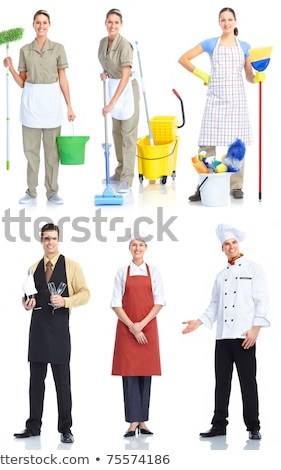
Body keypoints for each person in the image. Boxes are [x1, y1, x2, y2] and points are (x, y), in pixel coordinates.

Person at [182, 223, 270, 440]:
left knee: (248, 382)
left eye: (233, 243)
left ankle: (253, 426)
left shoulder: (254, 269)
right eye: (226, 244)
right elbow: (213, 305)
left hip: (244, 336)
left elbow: (262, 301)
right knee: (221, 383)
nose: (231, 247)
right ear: (222, 249)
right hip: (222, 337)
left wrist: (255, 329)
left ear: (238, 245)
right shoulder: (220, 275)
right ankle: (219, 425)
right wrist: (199, 322)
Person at [14, 223, 90, 443]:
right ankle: (33, 426)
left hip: (59, 332)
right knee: (35, 382)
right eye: (46, 238)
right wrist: (26, 304)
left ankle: (65, 428)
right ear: (41, 241)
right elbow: (28, 296)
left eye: (53, 238)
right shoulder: (33, 267)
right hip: (37, 330)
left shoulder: (72, 266)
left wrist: (66, 301)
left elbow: (86, 294)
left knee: (62, 383)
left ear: (58, 240)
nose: (50, 242)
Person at [179, 7, 264, 201]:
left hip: (236, 101)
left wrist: (258, 77)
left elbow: (249, 76)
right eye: (223, 20)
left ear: (235, 22)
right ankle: (203, 186)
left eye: (230, 19)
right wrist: (202, 74)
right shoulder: (210, 44)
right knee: (206, 146)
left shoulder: (244, 47)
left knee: (237, 146)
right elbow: (183, 59)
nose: (226, 23)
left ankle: (236, 187)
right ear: (219, 22)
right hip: (215, 100)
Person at [3, 10, 75, 205]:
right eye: (37, 22)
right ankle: (31, 191)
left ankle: (52, 192)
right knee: (31, 152)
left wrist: (69, 106)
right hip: (31, 105)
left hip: (52, 105)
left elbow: (63, 79)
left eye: (44, 22)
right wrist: (10, 68)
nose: (41, 26)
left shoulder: (58, 48)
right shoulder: (25, 50)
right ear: (33, 25)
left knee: (52, 153)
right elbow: (22, 82)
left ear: (49, 25)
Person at [110, 234, 165, 437]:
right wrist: (133, 327)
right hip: (126, 329)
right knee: (130, 376)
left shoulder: (155, 272)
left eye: (141, 245)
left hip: (148, 328)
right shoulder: (122, 272)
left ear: (146, 248)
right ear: (129, 248)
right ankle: (133, 422)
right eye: (134, 245)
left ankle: (143, 421)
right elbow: (116, 303)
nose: (137, 248)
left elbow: (159, 301)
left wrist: (141, 324)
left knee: (145, 374)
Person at [98, 8, 140, 193]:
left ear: (121, 24)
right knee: (116, 134)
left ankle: (127, 179)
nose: (112, 25)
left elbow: (124, 77)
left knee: (128, 136)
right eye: (109, 22)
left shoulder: (125, 45)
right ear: (105, 23)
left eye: (116, 22)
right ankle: (120, 170)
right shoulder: (102, 43)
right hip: (113, 87)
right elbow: (108, 63)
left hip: (127, 90)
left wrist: (111, 104)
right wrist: (105, 73)